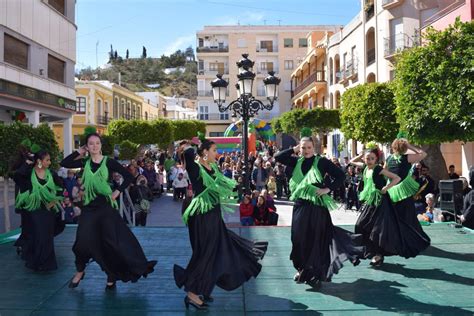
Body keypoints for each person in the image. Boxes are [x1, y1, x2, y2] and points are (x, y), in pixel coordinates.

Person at [173, 139, 267, 310]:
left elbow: (224, 185)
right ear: (204, 153)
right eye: (214, 150)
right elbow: (186, 154)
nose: (217, 154)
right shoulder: (195, 168)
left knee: (219, 251)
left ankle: (204, 290)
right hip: (202, 216)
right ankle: (192, 294)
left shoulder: (213, 168)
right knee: (206, 253)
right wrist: (191, 144)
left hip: (213, 215)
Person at [61, 131, 156, 290]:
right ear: (87, 146)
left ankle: (111, 275)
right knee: (81, 243)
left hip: (105, 207)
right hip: (89, 208)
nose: (94, 146)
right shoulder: (84, 162)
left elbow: (128, 176)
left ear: (101, 145)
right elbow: (65, 162)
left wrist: (117, 192)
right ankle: (80, 271)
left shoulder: (108, 162)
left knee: (111, 244)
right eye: (91, 143)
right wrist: (80, 151)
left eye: (97, 143)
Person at [274, 133, 364, 289]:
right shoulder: (295, 162)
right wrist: (294, 149)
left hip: (317, 207)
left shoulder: (321, 162)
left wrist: (327, 189)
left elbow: (341, 176)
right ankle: (302, 268)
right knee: (298, 238)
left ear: (314, 148)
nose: (306, 150)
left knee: (315, 240)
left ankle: (311, 273)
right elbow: (278, 156)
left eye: (309, 147)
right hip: (300, 205)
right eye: (303, 147)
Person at [351, 149, 413, 266]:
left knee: (378, 231)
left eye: (372, 158)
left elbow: (397, 178)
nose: (369, 161)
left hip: (380, 203)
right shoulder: (365, 167)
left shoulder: (378, 169)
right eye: (367, 158)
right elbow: (352, 161)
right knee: (360, 225)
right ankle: (367, 252)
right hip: (371, 202)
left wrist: (386, 187)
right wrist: (361, 154)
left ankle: (378, 255)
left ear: (376, 159)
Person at [13, 147, 64, 271]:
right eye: (47, 160)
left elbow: (61, 188)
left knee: (47, 237)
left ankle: (47, 264)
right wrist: (27, 163)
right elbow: (17, 177)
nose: (50, 162)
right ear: (39, 161)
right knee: (37, 236)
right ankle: (36, 262)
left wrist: (53, 202)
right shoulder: (29, 174)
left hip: (48, 211)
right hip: (34, 210)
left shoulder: (52, 174)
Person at [384, 136, 431, 257]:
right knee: (408, 217)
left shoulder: (388, 158)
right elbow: (423, 153)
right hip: (403, 191)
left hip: (391, 190)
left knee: (395, 217)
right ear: (404, 148)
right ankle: (411, 241)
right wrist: (410, 146)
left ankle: (395, 242)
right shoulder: (407, 157)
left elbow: (385, 173)